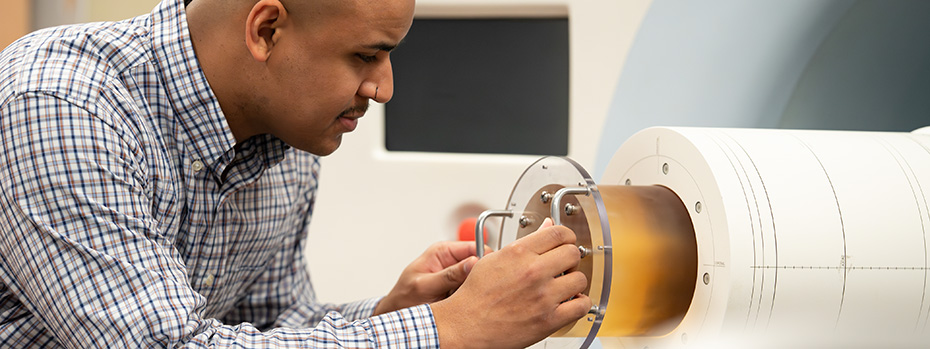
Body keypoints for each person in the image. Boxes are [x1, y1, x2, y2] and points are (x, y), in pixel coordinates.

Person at [0, 0, 591, 347]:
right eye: (365, 55)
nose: (383, 89)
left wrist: (394, 312)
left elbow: (272, 326)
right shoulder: (61, 105)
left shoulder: (287, 143)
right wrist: (446, 330)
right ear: (266, 30)